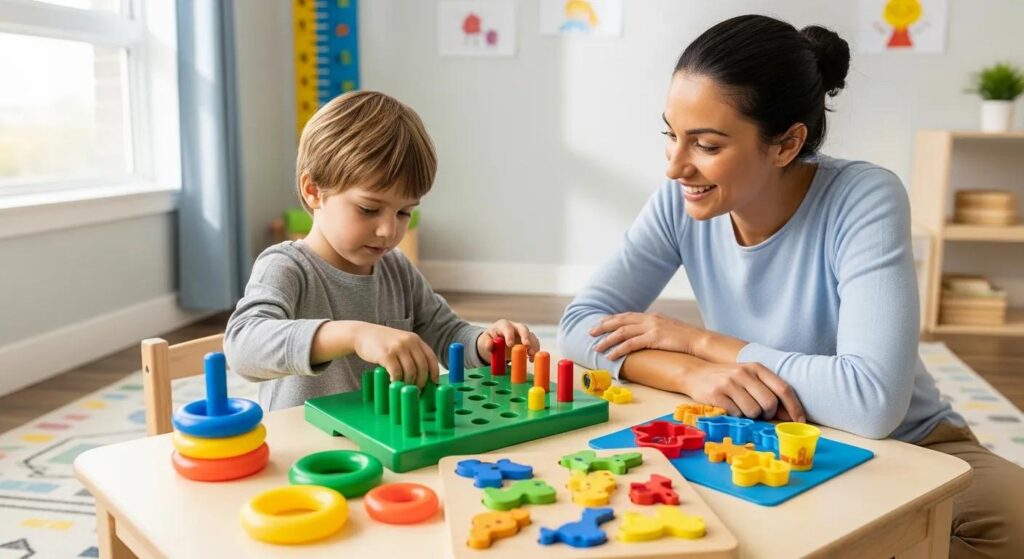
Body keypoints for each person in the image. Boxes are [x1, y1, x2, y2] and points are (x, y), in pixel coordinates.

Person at [558, 14, 1023, 557]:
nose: (675, 167)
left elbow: (871, 402)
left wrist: (702, 342)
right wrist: (692, 374)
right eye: (671, 135)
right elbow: (576, 328)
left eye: (705, 145)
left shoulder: (863, 198)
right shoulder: (680, 203)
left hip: (908, 444)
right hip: (763, 440)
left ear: (786, 144)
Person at [226, 90, 540, 410]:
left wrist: (483, 343)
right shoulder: (286, 267)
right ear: (313, 191)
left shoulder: (397, 268)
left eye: (404, 212)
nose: (389, 231)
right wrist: (354, 335)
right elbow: (242, 347)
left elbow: (446, 332)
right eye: (368, 209)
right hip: (309, 449)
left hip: (388, 439)